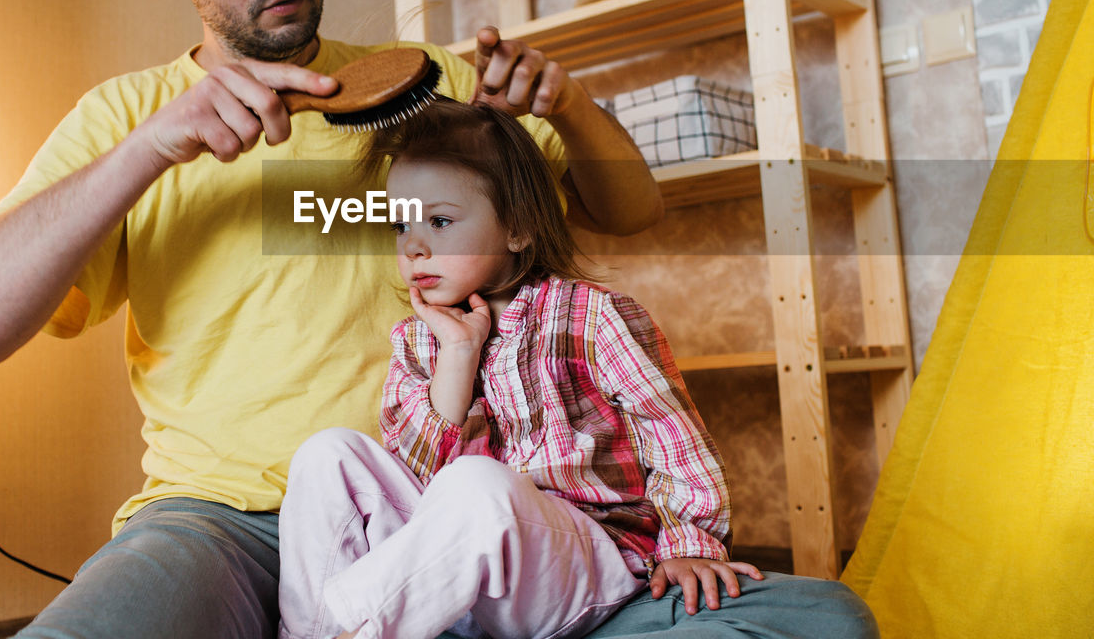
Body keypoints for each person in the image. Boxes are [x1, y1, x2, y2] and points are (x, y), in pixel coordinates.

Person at [0, 0, 662, 639]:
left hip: (440, 499)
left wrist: (572, 104)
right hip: (219, 524)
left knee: (810, 617)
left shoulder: (436, 86)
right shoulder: (125, 119)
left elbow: (634, 209)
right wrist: (148, 152)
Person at [276, 100, 879, 639]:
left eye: (439, 222)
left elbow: (671, 436)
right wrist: (457, 357)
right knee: (327, 452)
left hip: (587, 557)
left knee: (477, 484)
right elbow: (417, 493)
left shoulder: (593, 316)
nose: (413, 246)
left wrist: (690, 544)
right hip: (460, 576)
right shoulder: (418, 341)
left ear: (518, 227)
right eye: (399, 224)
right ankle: (309, 631)